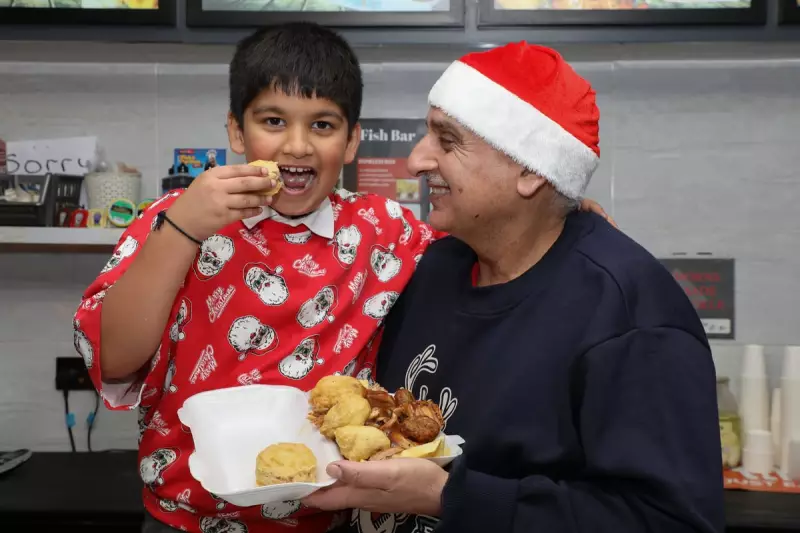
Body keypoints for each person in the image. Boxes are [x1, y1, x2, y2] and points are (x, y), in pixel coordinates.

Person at [72, 24, 612, 533]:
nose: (298, 146)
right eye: (273, 121)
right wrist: (182, 228)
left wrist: (560, 212)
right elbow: (115, 359)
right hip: (182, 517)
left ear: (352, 142)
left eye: (322, 125)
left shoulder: (384, 230)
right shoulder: (175, 217)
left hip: (329, 517)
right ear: (237, 131)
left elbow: (489, 241)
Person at [302, 43, 725, 533]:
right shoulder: (433, 267)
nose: (417, 160)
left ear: (529, 170)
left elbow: (673, 522)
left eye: (448, 140)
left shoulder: (629, 316)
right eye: (426, 134)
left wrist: (450, 497)